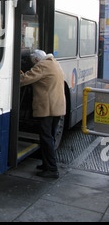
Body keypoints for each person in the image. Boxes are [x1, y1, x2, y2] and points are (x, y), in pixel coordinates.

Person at [20, 49, 66, 178]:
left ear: (36, 60)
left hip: (48, 108)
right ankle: (47, 164)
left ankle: (52, 169)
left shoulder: (42, 66)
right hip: (57, 107)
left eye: (33, 62)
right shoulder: (53, 63)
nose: (33, 64)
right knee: (49, 137)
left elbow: (24, 79)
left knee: (46, 138)